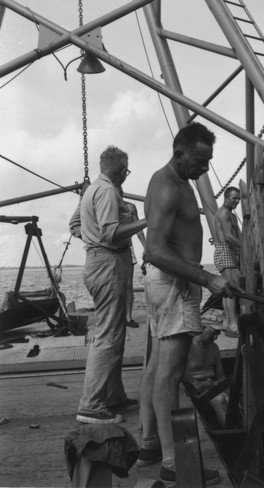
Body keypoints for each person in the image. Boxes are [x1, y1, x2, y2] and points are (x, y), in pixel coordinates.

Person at [138, 123, 241, 485]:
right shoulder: (169, 187)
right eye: (200, 160)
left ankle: (149, 443)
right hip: (175, 287)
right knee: (170, 374)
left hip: (168, 285)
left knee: (155, 368)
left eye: (209, 160)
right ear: (180, 154)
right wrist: (208, 278)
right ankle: (173, 462)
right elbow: (154, 250)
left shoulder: (172, 180)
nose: (206, 168)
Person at [72, 146, 147, 424]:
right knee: (108, 336)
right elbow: (111, 232)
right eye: (126, 170)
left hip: (100, 262)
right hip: (108, 264)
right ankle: (91, 406)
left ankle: (113, 395)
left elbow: (75, 224)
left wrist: (91, 240)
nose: (126, 175)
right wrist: (146, 220)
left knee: (113, 333)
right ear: (120, 170)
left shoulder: (92, 189)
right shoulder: (106, 192)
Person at [183, 323, 229, 429]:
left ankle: (234, 432)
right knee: (220, 400)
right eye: (213, 333)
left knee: (231, 401)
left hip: (212, 387)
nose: (216, 337)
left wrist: (228, 392)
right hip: (196, 390)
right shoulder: (186, 346)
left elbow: (221, 377)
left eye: (218, 333)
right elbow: (177, 370)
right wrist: (195, 383)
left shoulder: (215, 348)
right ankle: (229, 437)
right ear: (203, 328)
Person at [214, 187, 241, 337]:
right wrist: (246, 248)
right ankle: (232, 325)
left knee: (227, 289)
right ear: (226, 198)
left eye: (238, 199)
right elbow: (229, 237)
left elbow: (239, 235)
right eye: (234, 198)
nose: (237, 201)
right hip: (224, 250)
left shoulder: (232, 215)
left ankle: (226, 322)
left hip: (230, 251)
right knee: (231, 289)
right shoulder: (224, 213)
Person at [123, 197, 146, 328]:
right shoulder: (106, 203)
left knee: (128, 285)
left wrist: (146, 246)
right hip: (110, 250)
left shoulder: (130, 207)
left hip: (127, 248)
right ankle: (116, 316)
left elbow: (138, 229)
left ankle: (128, 317)